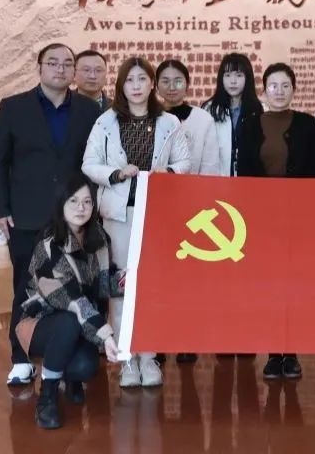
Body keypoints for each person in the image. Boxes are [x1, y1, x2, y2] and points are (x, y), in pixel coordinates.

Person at [0, 43, 100, 387]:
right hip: (26, 215)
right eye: (53, 63)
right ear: (39, 67)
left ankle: (67, 356)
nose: (60, 69)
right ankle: (21, 359)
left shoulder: (88, 110)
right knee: (25, 287)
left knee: (76, 284)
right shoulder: (13, 107)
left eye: (67, 63)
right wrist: (0, 209)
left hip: (75, 217)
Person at [82, 56, 192, 388]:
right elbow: (89, 164)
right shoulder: (106, 122)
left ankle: (149, 356)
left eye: (142, 79)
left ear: (152, 84)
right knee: (121, 287)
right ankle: (128, 359)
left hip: (157, 214)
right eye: (129, 80)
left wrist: (167, 172)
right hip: (119, 214)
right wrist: (116, 173)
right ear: (121, 86)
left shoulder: (169, 122)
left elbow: (184, 161)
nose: (136, 86)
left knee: (152, 285)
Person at [16, 173, 120, 429]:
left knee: (85, 366)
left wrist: (125, 280)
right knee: (68, 322)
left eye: (87, 201)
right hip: (40, 323)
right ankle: (47, 395)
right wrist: (106, 335)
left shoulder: (99, 239)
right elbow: (71, 299)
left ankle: (69, 377)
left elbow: (102, 285)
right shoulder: (49, 246)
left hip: (80, 321)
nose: (80, 208)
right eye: (73, 201)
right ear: (61, 203)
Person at [236, 62, 315, 380]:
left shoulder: (307, 124)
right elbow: (245, 172)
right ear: (264, 90)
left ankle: (291, 351)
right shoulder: (250, 125)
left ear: (294, 90)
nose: (279, 92)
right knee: (268, 285)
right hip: (262, 219)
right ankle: (273, 352)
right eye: (273, 86)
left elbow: (313, 170)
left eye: (285, 86)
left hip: (299, 218)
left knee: (294, 284)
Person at [155, 58, 221, 365]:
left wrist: (202, 202)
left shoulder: (202, 120)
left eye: (178, 81)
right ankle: (157, 339)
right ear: (156, 85)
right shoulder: (148, 115)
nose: (172, 87)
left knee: (189, 278)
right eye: (165, 81)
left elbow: (210, 165)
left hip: (193, 209)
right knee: (158, 276)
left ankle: (186, 338)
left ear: (188, 84)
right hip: (155, 208)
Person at [205, 53, 263, 178]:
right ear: (221, 79)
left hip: (251, 180)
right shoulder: (209, 109)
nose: (233, 81)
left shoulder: (260, 109)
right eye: (227, 75)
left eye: (239, 75)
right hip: (217, 178)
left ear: (248, 78)